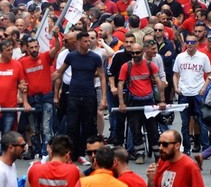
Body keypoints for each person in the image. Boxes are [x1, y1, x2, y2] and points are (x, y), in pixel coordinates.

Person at [53, 31, 107, 162]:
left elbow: (102, 77)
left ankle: (86, 154)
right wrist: (48, 83)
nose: (88, 43)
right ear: (78, 43)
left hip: (89, 95)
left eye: (89, 41)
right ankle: (71, 154)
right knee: (71, 126)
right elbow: (59, 72)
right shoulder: (71, 57)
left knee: (88, 126)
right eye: (85, 41)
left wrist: (104, 98)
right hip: (73, 96)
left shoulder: (95, 57)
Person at [117, 43, 166, 164]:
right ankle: (140, 153)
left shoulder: (150, 65)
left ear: (142, 51)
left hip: (149, 102)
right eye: (132, 53)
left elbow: (159, 82)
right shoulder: (126, 67)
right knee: (135, 130)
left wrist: (162, 100)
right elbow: (120, 84)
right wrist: (121, 103)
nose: (135, 55)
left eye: (137, 52)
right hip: (134, 102)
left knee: (153, 130)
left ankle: (157, 154)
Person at [172, 34, 211, 155]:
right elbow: (175, 74)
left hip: (198, 93)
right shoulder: (180, 57)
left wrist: (204, 88)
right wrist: (176, 87)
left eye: (192, 42)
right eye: (187, 42)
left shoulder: (203, 57)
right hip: (184, 93)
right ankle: (187, 148)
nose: (189, 44)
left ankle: (205, 148)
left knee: (202, 121)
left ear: (197, 44)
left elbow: (209, 74)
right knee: (185, 123)